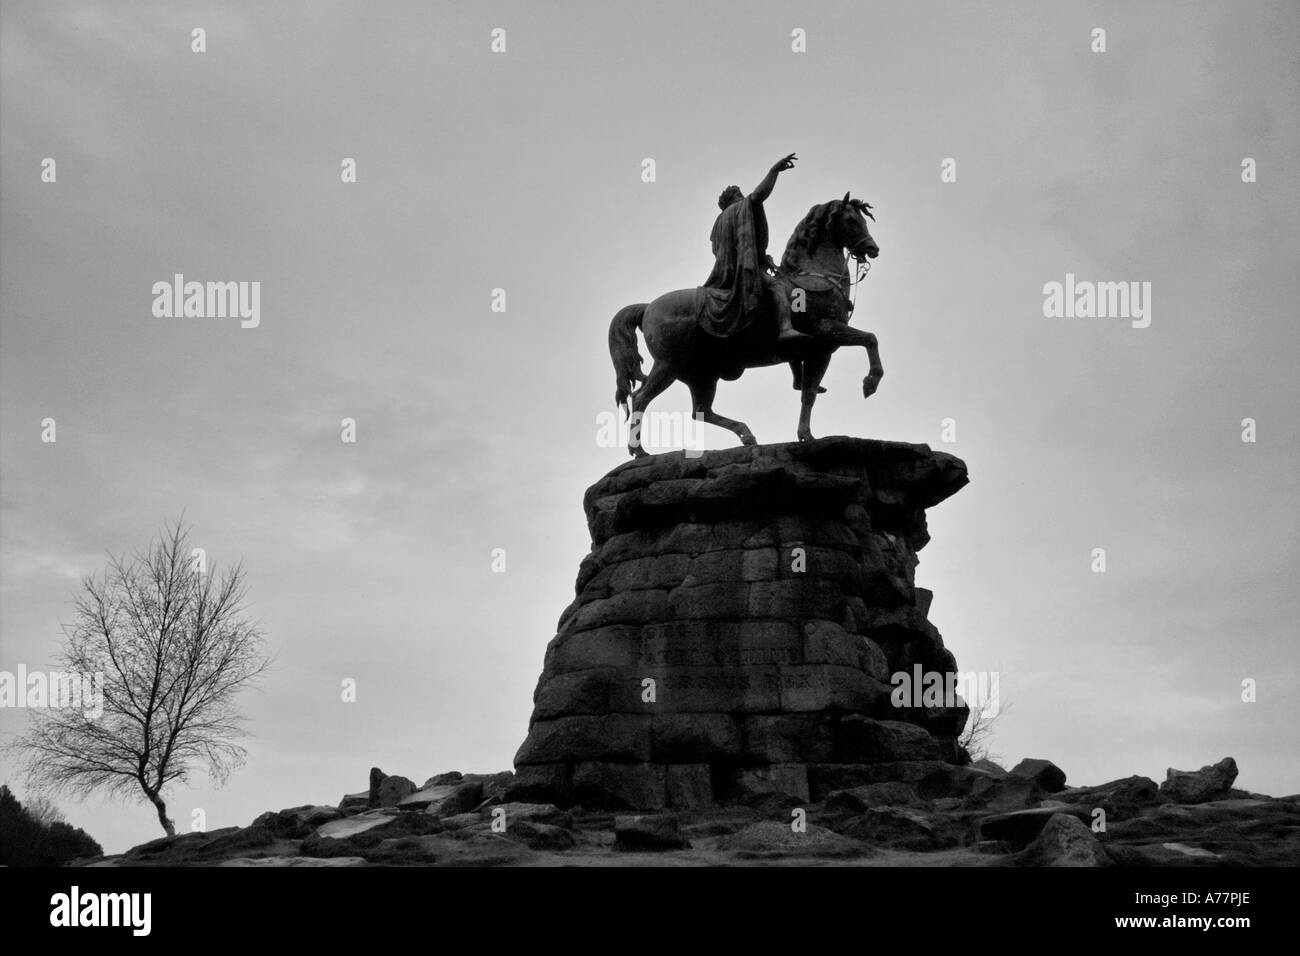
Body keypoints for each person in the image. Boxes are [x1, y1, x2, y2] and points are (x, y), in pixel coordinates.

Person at [699, 153, 809, 343]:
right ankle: (785, 328)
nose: (743, 197)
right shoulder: (740, 208)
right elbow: (758, 195)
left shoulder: (718, 223)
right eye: (740, 195)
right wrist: (774, 171)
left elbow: (717, 250)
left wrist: (761, 258)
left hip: (724, 273)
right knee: (777, 287)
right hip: (744, 272)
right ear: (735, 198)